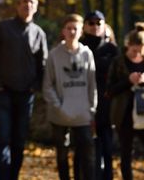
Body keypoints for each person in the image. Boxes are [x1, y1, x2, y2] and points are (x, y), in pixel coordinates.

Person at [0, 0, 48, 180]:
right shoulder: (2, 28)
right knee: (3, 138)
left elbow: (42, 65)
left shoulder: (39, 34)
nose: (27, 5)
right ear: (17, 5)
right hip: (3, 93)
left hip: (25, 95)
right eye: (24, 1)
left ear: (36, 7)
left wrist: (35, 86)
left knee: (19, 141)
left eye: (31, 2)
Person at [107, 23, 144, 180]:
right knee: (126, 155)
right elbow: (109, 90)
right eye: (134, 50)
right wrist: (128, 80)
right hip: (124, 115)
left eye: (141, 50)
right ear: (128, 45)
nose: (137, 54)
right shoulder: (118, 62)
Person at [43, 14, 97, 180]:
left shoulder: (87, 54)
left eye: (76, 28)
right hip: (60, 114)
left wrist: (92, 108)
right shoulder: (53, 55)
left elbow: (92, 84)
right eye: (69, 28)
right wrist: (58, 107)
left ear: (81, 31)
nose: (72, 31)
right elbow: (47, 86)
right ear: (63, 31)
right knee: (62, 154)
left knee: (86, 154)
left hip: (83, 114)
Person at [80, 11, 118, 180]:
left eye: (98, 23)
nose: (95, 26)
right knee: (84, 150)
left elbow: (119, 77)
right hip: (82, 105)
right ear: (85, 26)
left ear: (104, 25)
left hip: (107, 106)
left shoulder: (112, 50)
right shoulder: (78, 46)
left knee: (108, 149)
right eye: (91, 23)